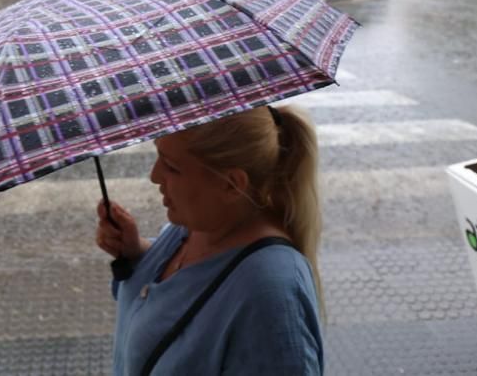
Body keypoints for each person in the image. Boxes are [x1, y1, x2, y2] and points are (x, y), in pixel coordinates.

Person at [95, 104, 324, 375]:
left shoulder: (272, 295)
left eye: (171, 166)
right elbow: (182, 288)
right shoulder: (196, 227)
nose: (155, 176)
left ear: (232, 184)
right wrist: (138, 253)